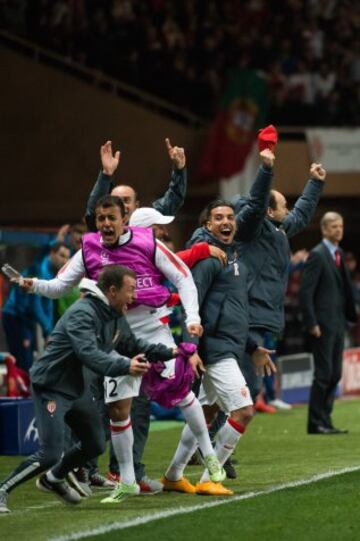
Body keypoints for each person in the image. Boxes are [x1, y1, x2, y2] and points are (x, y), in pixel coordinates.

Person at [19, 196, 225, 502]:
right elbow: (60, 285)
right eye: (100, 219)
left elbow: (183, 277)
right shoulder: (88, 247)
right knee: (118, 409)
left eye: (111, 218)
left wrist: (193, 318)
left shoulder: (147, 242)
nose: (105, 224)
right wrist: (33, 283)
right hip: (115, 335)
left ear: (124, 219)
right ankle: (127, 480)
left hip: (152, 327)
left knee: (182, 392)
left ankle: (211, 458)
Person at [0, 264, 177, 514]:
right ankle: (2, 490)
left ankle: (53, 479)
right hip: (52, 386)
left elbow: (131, 344)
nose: (135, 296)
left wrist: (171, 351)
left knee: (95, 444)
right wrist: (126, 366)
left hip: (75, 387)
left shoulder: (114, 314)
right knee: (50, 453)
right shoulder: (83, 313)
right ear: (113, 291)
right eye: (131, 290)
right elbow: (89, 354)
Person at [162, 199, 276, 496]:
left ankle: (174, 475)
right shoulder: (209, 261)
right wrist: (192, 349)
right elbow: (193, 305)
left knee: (206, 413)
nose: (226, 221)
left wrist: (252, 346)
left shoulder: (234, 258)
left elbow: (236, 313)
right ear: (207, 225)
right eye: (218, 218)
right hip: (216, 350)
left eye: (230, 217)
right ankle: (210, 478)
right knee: (244, 411)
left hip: (232, 347)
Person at [230, 161, 327, 411]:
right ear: (268, 211)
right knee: (242, 390)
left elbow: (301, 215)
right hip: (248, 316)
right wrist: (265, 169)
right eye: (283, 206)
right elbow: (256, 204)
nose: (288, 210)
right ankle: (209, 445)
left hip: (263, 316)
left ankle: (213, 447)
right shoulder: (251, 230)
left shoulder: (278, 231)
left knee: (248, 390)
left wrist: (314, 183)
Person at [299, 212, 356, 434]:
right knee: (323, 374)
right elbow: (306, 292)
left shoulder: (338, 253)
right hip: (322, 325)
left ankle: (326, 420)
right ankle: (315, 422)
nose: (338, 230)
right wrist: (312, 322)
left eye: (340, 226)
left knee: (335, 374)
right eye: (333, 226)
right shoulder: (317, 255)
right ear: (324, 229)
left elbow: (345, 290)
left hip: (338, 322)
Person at [85, 138, 187, 229]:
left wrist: (179, 170)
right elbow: (93, 212)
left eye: (126, 200)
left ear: (136, 206)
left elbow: (174, 199)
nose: (121, 205)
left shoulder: (145, 219)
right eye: (116, 201)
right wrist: (106, 175)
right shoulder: (104, 228)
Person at [2, 242, 70, 372]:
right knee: (24, 362)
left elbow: (48, 303)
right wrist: (47, 330)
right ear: (52, 254)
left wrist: (49, 330)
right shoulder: (40, 270)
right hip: (16, 316)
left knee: (29, 359)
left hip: (27, 318)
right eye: (62, 256)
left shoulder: (53, 273)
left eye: (67, 257)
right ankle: (21, 391)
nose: (65, 261)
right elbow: (36, 306)